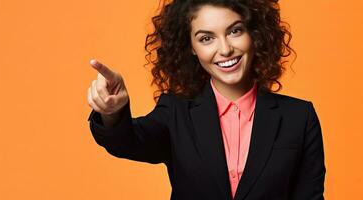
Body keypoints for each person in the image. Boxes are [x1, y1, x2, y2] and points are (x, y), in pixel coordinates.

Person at [86, 0, 326, 199]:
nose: (224, 49)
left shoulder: (299, 118)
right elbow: (128, 141)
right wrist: (113, 112)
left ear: (254, 34)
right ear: (190, 47)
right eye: (206, 38)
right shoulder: (175, 112)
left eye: (234, 31)